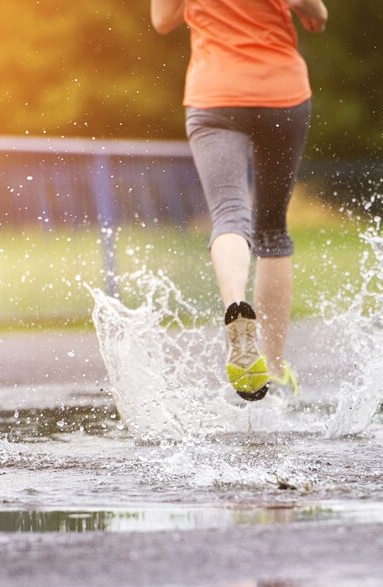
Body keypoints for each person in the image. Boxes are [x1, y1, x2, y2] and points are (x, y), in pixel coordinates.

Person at [150, 0, 328, 401]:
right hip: (281, 92)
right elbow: (315, 11)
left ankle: (236, 304)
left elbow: (162, 21)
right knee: (273, 229)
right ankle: (277, 369)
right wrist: (310, 16)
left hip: (215, 95)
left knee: (229, 215)